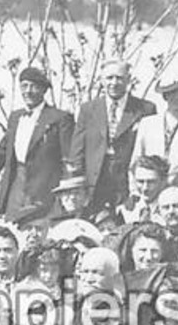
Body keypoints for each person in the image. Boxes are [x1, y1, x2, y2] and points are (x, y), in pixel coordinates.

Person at [66, 59, 156, 213]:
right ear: (101, 80)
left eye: (119, 78)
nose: (114, 83)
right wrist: (78, 185)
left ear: (128, 80)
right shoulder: (88, 109)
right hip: (95, 180)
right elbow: (77, 151)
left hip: (127, 180)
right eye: (109, 78)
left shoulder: (145, 109)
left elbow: (150, 151)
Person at [132, 70, 178, 195]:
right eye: (172, 93)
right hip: (150, 190)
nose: (177, 97)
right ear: (165, 96)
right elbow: (136, 160)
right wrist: (135, 190)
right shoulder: (148, 123)